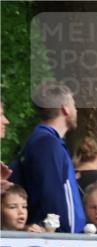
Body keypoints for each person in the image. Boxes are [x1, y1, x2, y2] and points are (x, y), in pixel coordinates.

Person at [9, 81, 85, 233]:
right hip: (60, 244)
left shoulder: (47, 142)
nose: (76, 110)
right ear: (66, 109)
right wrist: (57, 233)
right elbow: (51, 195)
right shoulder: (46, 144)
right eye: (74, 105)